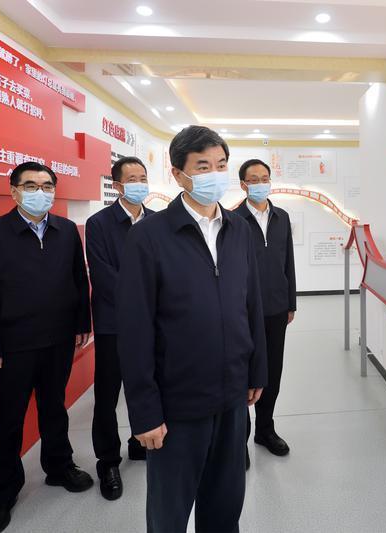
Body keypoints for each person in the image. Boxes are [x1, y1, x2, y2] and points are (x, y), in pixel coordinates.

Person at [117, 126, 268, 532]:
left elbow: (251, 304)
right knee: (169, 515)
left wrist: (256, 371)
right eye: (202, 167)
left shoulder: (238, 230)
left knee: (224, 508)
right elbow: (134, 329)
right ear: (178, 174)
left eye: (221, 165)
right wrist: (144, 411)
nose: (214, 174)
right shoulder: (149, 236)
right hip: (177, 404)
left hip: (232, 397)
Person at [0, 162, 94, 533]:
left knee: (55, 409)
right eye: (32, 185)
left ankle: (59, 466)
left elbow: (78, 280)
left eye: (47, 185)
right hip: (12, 347)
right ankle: (4, 492)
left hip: (58, 341)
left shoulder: (66, 231)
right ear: (14, 191)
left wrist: (82, 323)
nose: (41, 192)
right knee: (9, 420)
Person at [86, 156, 156, 500]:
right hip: (114, 324)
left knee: (145, 384)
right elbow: (102, 276)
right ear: (117, 186)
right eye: (132, 178)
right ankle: (108, 461)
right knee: (108, 394)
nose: (139, 183)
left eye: (143, 177)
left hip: (153, 323)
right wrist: (140, 302)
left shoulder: (157, 221)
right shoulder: (99, 224)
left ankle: (139, 441)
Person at [234, 159, 296, 468]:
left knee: (272, 372)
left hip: (276, 308)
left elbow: (288, 262)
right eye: (254, 179)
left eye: (265, 178)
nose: (261, 183)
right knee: (243, 373)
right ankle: (239, 439)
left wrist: (291, 301)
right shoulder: (233, 220)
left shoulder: (282, 217)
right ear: (243, 184)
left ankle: (265, 429)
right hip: (242, 310)